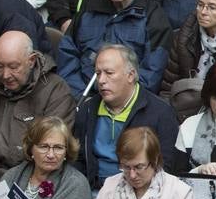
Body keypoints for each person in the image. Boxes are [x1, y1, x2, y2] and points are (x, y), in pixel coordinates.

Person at [0, 34, 75, 186]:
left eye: (13, 67)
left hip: (29, 182)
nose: (5, 75)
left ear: (31, 61)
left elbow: (51, 154)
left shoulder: (56, 92)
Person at [57, 0, 171, 96]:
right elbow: (67, 57)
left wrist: (118, 101)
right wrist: (81, 98)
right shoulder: (88, 10)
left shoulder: (153, 17)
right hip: (84, 100)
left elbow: (151, 76)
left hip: (128, 106)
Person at [71, 44, 183, 189]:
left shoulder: (160, 113)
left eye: (109, 73)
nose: (101, 80)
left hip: (140, 192)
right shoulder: (87, 109)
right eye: (98, 73)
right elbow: (77, 159)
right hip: (92, 190)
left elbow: (165, 167)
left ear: (130, 75)